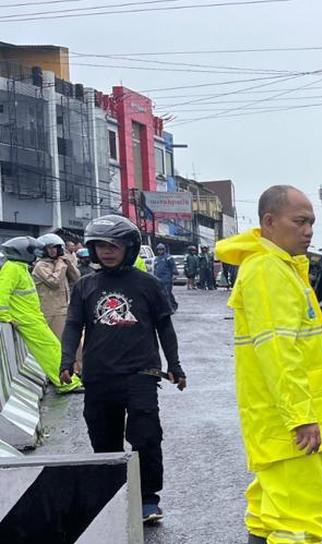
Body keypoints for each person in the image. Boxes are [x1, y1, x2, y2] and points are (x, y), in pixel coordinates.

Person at [215, 185, 322, 544]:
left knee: (268, 513)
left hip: (275, 421)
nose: (308, 231)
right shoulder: (269, 270)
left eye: (311, 223)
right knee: (297, 522)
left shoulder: (277, 266)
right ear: (268, 222)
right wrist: (302, 415)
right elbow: (279, 351)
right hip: (291, 426)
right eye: (299, 221)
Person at [59, 215, 186, 523]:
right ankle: (114, 495)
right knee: (104, 440)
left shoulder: (148, 285)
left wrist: (175, 366)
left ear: (129, 248)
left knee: (145, 437)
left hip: (141, 374)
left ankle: (147, 498)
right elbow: (74, 325)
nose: (107, 251)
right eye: (101, 245)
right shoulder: (85, 286)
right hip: (99, 375)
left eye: (114, 245)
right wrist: (66, 362)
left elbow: (164, 328)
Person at [0, 236, 83, 394]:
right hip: (27, 320)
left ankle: (70, 380)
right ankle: (66, 383)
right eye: (32, 251)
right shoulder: (12, 269)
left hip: (33, 318)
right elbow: (2, 294)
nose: (35, 255)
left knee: (54, 348)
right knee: (49, 350)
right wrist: (4, 317)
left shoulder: (19, 267)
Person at [32, 233, 80, 341]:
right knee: (60, 342)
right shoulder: (41, 266)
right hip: (51, 311)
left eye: (55, 247)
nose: (53, 250)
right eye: (49, 248)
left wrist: (69, 263)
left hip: (65, 308)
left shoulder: (60, 263)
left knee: (71, 341)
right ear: (43, 250)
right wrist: (61, 265)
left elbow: (77, 278)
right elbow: (54, 282)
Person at [152, 243, 179, 312]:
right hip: (159, 279)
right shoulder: (156, 259)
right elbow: (155, 269)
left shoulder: (168, 257)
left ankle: (169, 308)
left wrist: (175, 274)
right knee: (163, 293)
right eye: (159, 250)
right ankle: (173, 304)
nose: (160, 251)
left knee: (167, 293)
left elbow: (173, 266)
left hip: (167, 279)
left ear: (164, 250)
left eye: (161, 250)